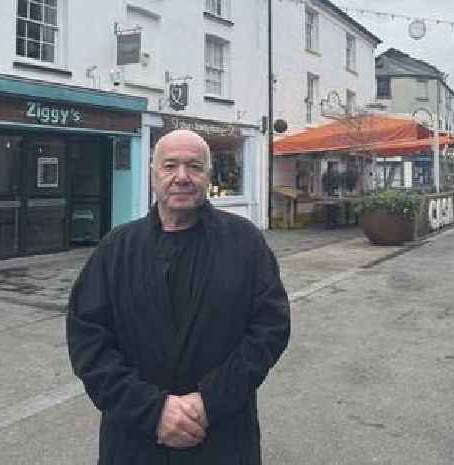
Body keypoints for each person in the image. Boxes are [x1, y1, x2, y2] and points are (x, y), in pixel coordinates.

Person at [66, 129, 291, 465]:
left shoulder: (245, 243)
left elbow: (269, 329)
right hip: (134, 442)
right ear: (153, 174)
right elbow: (88, 341)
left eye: (194, 167)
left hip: (222, 438)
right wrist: (152, 411)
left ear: (209, 176)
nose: (182, 177)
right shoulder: (116, 249)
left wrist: (210, 401)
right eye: (170, 166)